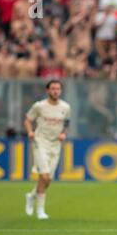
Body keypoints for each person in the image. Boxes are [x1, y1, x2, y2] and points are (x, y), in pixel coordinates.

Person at [24, 80, 71, 219]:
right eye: (53, 88)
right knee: (44, 176)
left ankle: (31, 196)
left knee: (48, 180)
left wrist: (64, 133)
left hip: (55, 144)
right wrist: (30, 132)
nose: (55, 91)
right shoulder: (39, 106)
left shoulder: (65, 107)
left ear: (61, 91)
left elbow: (67, 122)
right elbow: (27, 119)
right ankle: (40, 211)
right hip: (40, 142)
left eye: (58, 89)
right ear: (48, 90)